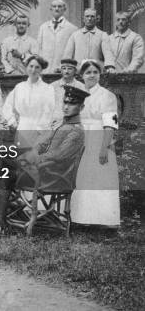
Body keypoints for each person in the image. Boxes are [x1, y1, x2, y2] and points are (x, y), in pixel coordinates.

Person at [0, 85, 88, 231]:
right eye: (65, 102)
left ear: (81, 107)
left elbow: (59, 156)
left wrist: (34, 159)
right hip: (41, 170)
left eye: (72, 104)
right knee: (3, 171)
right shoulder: (61, 125)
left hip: (52, 175)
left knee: (1, 162)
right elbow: (41, 144)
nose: (66, 107)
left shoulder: (76, 131)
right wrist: (33, 151)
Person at [71, 60, 120, 227]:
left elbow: (111, 124)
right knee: (85, 179)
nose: (91, 75)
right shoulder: (79, 95)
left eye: (95, 72)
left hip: (100, 139)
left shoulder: (108, 96)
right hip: (83, 140)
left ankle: (105, 220)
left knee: (101, 178)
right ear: (82, 76)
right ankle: (84, 219)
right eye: (88, 72)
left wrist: (104, 148)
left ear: (99, 75)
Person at [1, 55, 55, 148]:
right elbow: (7, 105)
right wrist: (12, 121)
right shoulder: (20, 87)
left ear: (41, 69)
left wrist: (41, 131)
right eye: (31, 66)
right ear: (26, 67)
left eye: (37, 67)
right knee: (21, 158)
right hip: (23, 128)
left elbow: (49, 111)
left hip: (41, 130)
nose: (33, 70)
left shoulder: (48, 88)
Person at [37, 0, 78, 73]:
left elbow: (73, 53)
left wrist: (63, 67)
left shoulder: (72, 29)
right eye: (54, 6)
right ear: (50, 9)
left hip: (62, 70)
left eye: (59, 6)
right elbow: (39, 48)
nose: (56, 9)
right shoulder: (43, 27)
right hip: (44, 70)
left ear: (64, 9)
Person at [50, 59, 85, 123]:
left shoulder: (81, 87)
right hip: (55, 120)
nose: (66, 71)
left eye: (70, 69)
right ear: (61, 70)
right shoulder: (52, 86)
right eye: (64, 68)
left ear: (75, 71)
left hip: (74, 121)